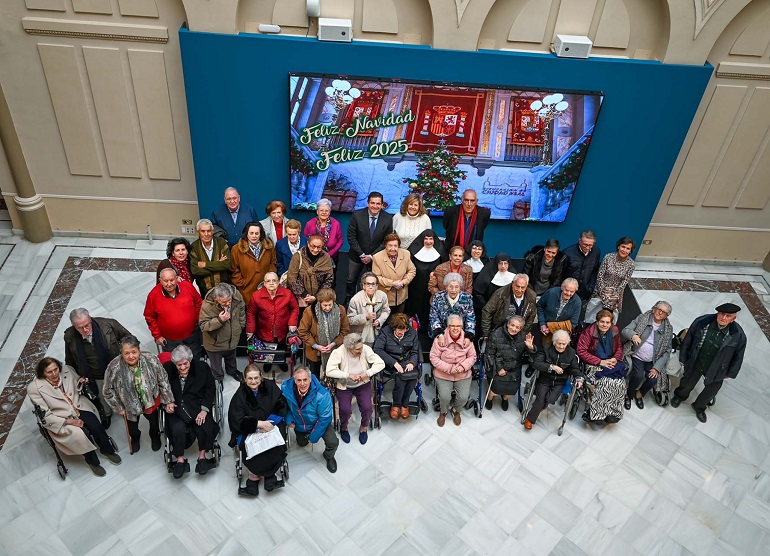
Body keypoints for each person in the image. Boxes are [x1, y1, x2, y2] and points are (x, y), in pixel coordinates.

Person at [28, 357, 121, 476]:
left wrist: (81, 382)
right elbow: (45, 416)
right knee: (81, 435)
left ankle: (107, 450)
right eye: (49, 372)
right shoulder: (34, 389)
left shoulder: (67, 370)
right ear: (42, 373)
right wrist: (69, 421)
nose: (54, 373)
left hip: (78, 406)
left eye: (55, 369)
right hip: (61, 417)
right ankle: (92, 462)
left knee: (96, 426)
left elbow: (77, 384)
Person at [671, 303, 747, 423]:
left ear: (734, 318)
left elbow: (738, 356)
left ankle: (699, 407)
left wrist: (730, 373)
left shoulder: (738, 335)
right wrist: (684, 357)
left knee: (712, 390)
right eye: (722, 314)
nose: (724, 318)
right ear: (717, 313)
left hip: (717, 367)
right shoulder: (702, 322)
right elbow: (688, 340)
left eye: (728, 316)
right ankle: (679, 396)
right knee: (687, 382)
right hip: (697, 360)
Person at [103, 335, 174, 452]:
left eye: (134, 352)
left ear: (139, 350)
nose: (131, 356)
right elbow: (107, 390)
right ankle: (135, 438)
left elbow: (163, 380)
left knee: (154, 423)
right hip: (128, 405)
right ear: (121, 353)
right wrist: (118, 407)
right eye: (126, 353)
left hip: (150, 400)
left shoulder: (150, 359)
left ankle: (154, 436)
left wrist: (168, 400)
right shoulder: (113, 366)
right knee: (133, 429)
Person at [64, 308, 131, 428]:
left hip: (115, 369)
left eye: (87, 325)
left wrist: (126, 354)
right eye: (80, 328)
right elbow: (69, 360)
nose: (85, 330)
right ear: (74, 326)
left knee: (122, 391)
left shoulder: (108, 325)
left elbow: (129, 338)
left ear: (90, 319)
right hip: (93, 375)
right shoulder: (70, 336)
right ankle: (107, 414)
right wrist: (77, 377)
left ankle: (126, 409)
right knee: (102, 396)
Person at [228, 364, 288, 495]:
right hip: (250, 430)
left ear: (261, 377)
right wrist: (257, 424)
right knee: (250, 446)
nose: (253, 381)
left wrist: (269, 424)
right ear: (244, 379)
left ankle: (269, 475)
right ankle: (253, 476)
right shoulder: (239, 396)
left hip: (272, 425)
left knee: (275, 443)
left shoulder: (270, 387)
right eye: (250, 378)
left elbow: (281, 404)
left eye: (256, 378)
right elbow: (236, 420)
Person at [162, 345, 219, 478]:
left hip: (198, 406)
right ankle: (180, 459)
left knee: (204, 425)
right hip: (177, 408)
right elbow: (162, 388)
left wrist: (204, 410)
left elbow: (210, 389)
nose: (182, 367)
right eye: (179, 364)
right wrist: (167, 402)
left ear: (190, 361)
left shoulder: (202, 368)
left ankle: (202, 457)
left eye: (185, 364)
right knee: (177, 428)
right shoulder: (168, 369)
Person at [325, 333, 384, 444]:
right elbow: (329, 370)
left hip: (362, 383)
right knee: (345, 410)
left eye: (361, 347)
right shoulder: (338, 352)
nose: (361, 351)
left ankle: (363, 427)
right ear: (349, 348)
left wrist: (366, 373)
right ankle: (343, 428)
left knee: (367, 408)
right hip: (345, 386)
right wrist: (348, 375)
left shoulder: (365, 349)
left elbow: (380, 363)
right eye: (358, 349)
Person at [282, 367, 339, 473]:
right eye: (299, 380)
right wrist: (289, 417)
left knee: (333, 442)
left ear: (310, 379)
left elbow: (325, 418)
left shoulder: (322, 394)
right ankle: (304, 438)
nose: (302, 384)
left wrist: (314, 436)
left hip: (318, 423)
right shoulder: (286, 388)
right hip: (299, 424)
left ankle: (329, 456)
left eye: (305, 380)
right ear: (295, 380)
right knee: (302, 443)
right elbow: (285, 405)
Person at [524, 329, 581, 430]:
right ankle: (530, 419)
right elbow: (536, 363)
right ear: (554, 342)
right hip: (544, 379)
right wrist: (552, 367)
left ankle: (541, 406)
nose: (561, 346)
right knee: (540, 400)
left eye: (564, 344)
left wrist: (579, 378)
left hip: (560, 382)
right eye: (559, 343)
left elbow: (575, 368)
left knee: (550, 399)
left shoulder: (571, 353)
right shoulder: (546, 348)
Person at [576, 310, 627, 424]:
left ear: (611, 323)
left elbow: (619, 347)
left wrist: (615, 358)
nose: (605, 325)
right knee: (605, 383)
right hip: (594, 364)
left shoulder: (614, 331)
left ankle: (613, 412)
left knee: (619, 384)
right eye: (602, 322)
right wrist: (600, 362)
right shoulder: (589, 332)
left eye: (608, 322)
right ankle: (596, 413)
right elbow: (581, 351)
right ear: (597, 322)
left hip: (611, 362)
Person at [622, 301, 673, 410]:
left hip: (653, 359)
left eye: (663, 312)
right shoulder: (642, 318)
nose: (660, 312)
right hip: (637, 355)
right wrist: (633, 335)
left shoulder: (668, 329)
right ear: (654, 308)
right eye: (659, 309)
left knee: (653, 378)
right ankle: (628, 395)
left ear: (666, 316)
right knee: (638, 375)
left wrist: (657, 367)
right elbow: (626, 330)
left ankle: (639, 394)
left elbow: (667, 351)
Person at [144, 267, 203, 359]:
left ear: (177, 278)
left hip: (192, 334)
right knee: (173, 360)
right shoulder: (153, 295)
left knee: (195, 357)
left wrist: (199, 320)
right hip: (169, 340)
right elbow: (149, 316)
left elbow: (199, 303)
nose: (169, 284)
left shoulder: (187, 286)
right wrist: (157, 336)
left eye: (172, 280)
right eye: (165, 281)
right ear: (160, 280)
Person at [345, 191, 394, 302]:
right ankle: (349, 301)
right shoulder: (357, 215)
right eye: (372, 203)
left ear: (382, 205)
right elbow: (351, 236)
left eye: (378, 204)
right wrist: (362, 254)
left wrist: (371, 256)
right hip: (357, 255)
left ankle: (371, 302)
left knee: (373, 282)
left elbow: (387, 240)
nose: (375, 206)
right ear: (368, 203)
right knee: (351, 280)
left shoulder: (387, 218)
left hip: (375, 257)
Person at [430, 314, 477, 426]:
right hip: (443, 374)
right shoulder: (439, 339)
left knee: (463, 397)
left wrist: (461, 367)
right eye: (452, 326)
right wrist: (449, 368)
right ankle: (443, 412)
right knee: (445, 397)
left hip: (463, 374)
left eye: (458, 326)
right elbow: (433, 357)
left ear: (462, 327)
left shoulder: (468, 340)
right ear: (448, 326)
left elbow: (473, 356)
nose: (455, 328)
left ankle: (456, 411)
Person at [245, 272, 299, 369]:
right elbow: (251, 313)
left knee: (280, 346)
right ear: (264, 283)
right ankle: (268, 363)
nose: (271, 283)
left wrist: (292, 323)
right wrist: (250, 330)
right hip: (264, 330)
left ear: (278, 282)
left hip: (282, 330)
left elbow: (295, 308)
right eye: (268, 281)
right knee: (267, 347)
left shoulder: (287, 293)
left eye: (274, 280)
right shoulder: (256, 296)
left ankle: (281, 362)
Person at [373, 313, 421, 419]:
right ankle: (396, 404)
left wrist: (412, 362)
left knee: (412, 378)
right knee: (400, 379)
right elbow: (377, 349)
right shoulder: (386, 331)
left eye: (404, 330)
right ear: (393, 328)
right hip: (391, 362)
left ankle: (404, 404)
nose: (401, 332)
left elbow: (415, 351)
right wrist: (393, 363)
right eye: (399, 330)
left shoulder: (412, 333)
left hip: (407, 360)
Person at [484, 316, 536, 410]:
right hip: (497, 366)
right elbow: (489, 354)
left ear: (520, 329)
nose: (514, 329)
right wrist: (499, 368)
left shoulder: (523, 336)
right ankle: (489, 398)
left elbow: (531, 356)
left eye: (517, 327)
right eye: (512, 325)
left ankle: (505, 399)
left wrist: (530, 348)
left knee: (512, 390)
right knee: (496, 389)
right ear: (508, 324)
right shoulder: (496, 334)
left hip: (514, 368)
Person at [298, 288, 350, 378]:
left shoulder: (341, 310)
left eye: (330, 305)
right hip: (315, 352)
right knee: (315, 378)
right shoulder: (309, 311)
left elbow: (345, 331)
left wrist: (333, 344)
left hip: (335, 350)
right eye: (324, 305)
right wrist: (316, 346)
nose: (328, 308)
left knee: (334, 377)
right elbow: (303, 331)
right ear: (319, 303)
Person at [199, 283, 245, 381]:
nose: (228, 304)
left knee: (231, 358)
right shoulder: (207, 305)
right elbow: (203, 325)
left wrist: (240, 326)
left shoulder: (237, 296)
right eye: (224, 302)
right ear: (216, 299)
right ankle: (218, 377)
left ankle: (232, 371)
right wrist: (219, 320)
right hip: (214, 342)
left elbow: (241, 310)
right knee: (216, 364)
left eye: (229, 300)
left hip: (232, 337)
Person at [405, 229, 447, 330]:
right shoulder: (413, 252)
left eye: (431, 239)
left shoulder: (440, 253)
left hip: (432, 288)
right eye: (426, 239)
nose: (428, 241)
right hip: (415, 287)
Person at [230, 221, 278, 305]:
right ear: (246, 234)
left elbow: (273, 262)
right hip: (247, 290)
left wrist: (270, 279)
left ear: (261, 234)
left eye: (257, 233)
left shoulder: (269, 247)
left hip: (266, 289)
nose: (254, 236)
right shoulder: (236, 249)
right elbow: (234, 269)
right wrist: (242, 283)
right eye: (251, 233)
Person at [589, 236, 636, 320]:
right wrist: (602, 292)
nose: (624, 250)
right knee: (593, 315)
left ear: (630, 251)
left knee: (606, 317)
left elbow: (625, 281)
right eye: (623, 246)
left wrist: (614, 295)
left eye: (628, 248)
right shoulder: (608, 257)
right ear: (618, 246)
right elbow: (600, 275)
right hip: (601, 289)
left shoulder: (631, 264)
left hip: (615, 293)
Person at [287, 233, 334, 313]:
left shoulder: (326, 257)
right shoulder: (298, 256)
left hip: (320, 299)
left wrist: (316, 296)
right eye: (313, 246)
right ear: (308, 244)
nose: (315, 250)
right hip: (300, 298)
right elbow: (291, 278)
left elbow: (329, 279)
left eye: (319, 247)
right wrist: (305, 295)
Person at [372, 233, 417, 314]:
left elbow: (412, 270)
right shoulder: (377, 257)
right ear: (385, 245)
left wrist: (403, 282)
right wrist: (392, 283)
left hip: (401, 296)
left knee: (398, 321)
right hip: (385, 297)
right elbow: (376, 277)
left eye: (395, 246)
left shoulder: (406, 254)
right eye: (390, 245)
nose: (393, 248)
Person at [481, 273, 537, 338]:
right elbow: (487, 311)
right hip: (500, 330)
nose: (519, 290)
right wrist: (486, 333)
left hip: (519, 332)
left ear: (526, 286)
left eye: (522, 287)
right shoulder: (500, 294)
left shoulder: (532, 296)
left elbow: (531, 316)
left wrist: (524, 333)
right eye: (517, 286)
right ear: (512, 283)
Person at [190, 218, 231, 299]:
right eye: (203, 231)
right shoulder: (194, 247)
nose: (206, 234)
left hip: (224, 289)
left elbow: (226, 264)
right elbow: (195, 271)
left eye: (209, 231)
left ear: (212, 231)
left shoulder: (221, 242)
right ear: (198, 233)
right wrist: (218, 264)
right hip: (205, 291)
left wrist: (205, 264)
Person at [347, 272, 391, 346]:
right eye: (368, 284)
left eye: (373, 284)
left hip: (376, 332)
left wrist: (379, 321)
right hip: (360, 334)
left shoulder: (382, 296)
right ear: (364, 286)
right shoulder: (355, 300)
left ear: (377, 286)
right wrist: (365, 317)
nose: (370, 287)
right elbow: (350, 320)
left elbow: (386, 311)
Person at [429, 272, 476, 340]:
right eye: (450, 287)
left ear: (460, 287)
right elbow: (433, 317)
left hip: (460, 333)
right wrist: (439, 334)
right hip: (441, 332)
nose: (453, 290)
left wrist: (468, 336)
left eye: (456, 287)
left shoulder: (467, 298)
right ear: (446, 287)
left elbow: (470, 318)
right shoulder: (438, 297)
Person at [536, 278, 581, 343]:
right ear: (562, 287)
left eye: (572, 291)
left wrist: (551, 328)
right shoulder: (551, 293)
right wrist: (542, 324)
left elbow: (573, 323)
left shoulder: (577, 302)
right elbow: (540, 306)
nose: (568, 293)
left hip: (561, 335)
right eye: (566, 290)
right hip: (542, 328)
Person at [473, 253, 516, 321]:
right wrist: (486, 307)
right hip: (487, 310)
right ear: (496, 263)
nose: (503, 266)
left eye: (505, 263)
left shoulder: (513, 276)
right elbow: (478, 291)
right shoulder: (487, 273)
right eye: (500, 263)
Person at [561, 230, 601, 303]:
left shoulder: (596, 252)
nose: (588, 247)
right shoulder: (567, 253)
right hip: (568, 292)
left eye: (590, 245)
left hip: (585, 293)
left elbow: (594, 271)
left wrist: (590, 288)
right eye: (585, 244)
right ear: (580, 241)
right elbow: (560, 274)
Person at [303, 198, 343, 265]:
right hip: (313, 257)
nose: (324, 212)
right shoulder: (309, 224)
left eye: (326, 211)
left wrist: (330, 254)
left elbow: (340, 241)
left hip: (331, 257)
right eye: (321, 210)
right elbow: (305, 240)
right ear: (317, 211)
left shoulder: (336, 224)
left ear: (329, 212)